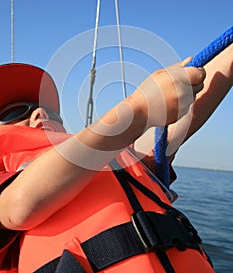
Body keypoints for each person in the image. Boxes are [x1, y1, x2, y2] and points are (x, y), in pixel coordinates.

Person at [0, 43, 232, 272]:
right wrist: (139, 109)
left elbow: (172, 123)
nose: (40, 112)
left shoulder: (118, 156)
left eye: (49, 111)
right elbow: (18, 206)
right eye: (14, 112)